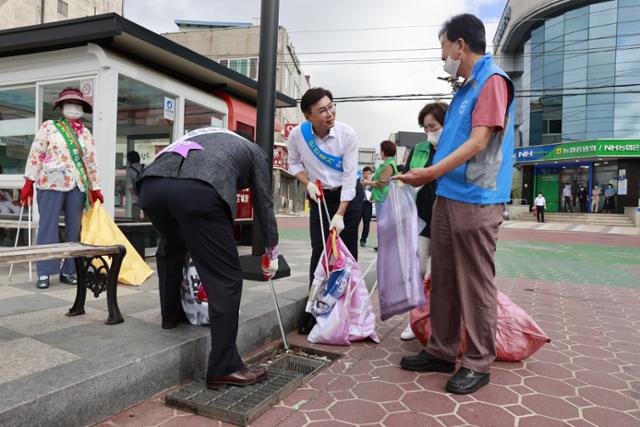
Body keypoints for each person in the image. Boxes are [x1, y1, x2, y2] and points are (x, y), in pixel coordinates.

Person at [394, 13, 515, 395]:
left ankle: (479, 362)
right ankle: (442, 350)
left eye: (443, 47)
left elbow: (479, 141)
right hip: (448, 197)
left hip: (476, 200)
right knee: (443, 279)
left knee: (475, 283)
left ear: (460, 45)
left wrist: (428, 174)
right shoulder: (464, 88)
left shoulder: (493, 81)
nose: (442, 55)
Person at [137, 127, 279, 389]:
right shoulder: (255, 152)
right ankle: (225, 367)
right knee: (226, 276)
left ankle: (170, 316)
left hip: (151, 186)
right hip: (199, 189)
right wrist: (272, 249)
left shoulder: (201, 135)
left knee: (171, 248)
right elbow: (264, 202)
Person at [287, 87, 363, 335]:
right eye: (322, 110)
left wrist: (340, 214)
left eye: (331, 107)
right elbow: (294, 162)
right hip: (320, 197)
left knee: (346, 254)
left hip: (347, 200)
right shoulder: (298, 135)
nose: (330, 113)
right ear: (309, 117)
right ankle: (314, 310)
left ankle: (345, 311)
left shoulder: (347, 135)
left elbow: (351, 179)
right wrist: (306, 182)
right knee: (319, 252)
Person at [19, 87, 103, 289]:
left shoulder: (86, 133)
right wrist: (29, 180)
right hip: (51, 182)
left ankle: (70, 270)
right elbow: (36, 153)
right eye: (69, 104)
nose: (74, 108)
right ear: (62, 107)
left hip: (77, 185)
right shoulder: (49, 127)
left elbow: (91, 161)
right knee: (48, 227)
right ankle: (45, 272)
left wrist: (95, 187)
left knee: (74, 229)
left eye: (78, 105)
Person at [398, 101, 448, 342]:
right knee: (416, 271)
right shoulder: (419, 149)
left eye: (434, 126)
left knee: (439, 276)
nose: (430, 132)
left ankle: (436, 323)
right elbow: (408, 178)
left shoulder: (455, 147)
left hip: (447, 219)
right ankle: (415, 320)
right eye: (426, 128)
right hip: (421, 218)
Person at [362, 141, 398, 222]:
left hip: (384, 199)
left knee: (383, 225)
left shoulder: (389, 165)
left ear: (384, 151)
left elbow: (381, 183)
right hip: (382, 198)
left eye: (381, 150)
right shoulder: (388, 163)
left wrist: (367, 182)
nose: (380, 153)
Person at [126, 151, 144, 220]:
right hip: (147, 197)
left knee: (135, 220)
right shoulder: (145, 167)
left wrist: (136, 198)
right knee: (147, 220)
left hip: (136, 200)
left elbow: (130, 188)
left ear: (129, 160)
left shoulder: (130, 171)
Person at [360, 166, 374, 247]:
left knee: (366, 223)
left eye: (369, 173)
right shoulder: (359, 181)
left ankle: (363, 240)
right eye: (366, 173)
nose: (367, 175)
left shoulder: (372, 183)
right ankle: (353, 238)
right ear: (363, 173)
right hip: (359, 203)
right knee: (355, 222)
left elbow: (375, 192)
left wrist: (374, 199)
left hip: (367, 204)